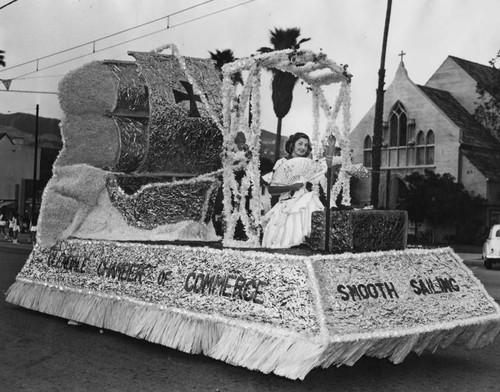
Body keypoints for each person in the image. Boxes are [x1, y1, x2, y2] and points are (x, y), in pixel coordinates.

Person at [261, 132, 325, 249]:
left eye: (306, 145)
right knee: (285, 237)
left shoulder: (308, 163)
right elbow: (271, 189)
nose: (303, 148)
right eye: (300, 144)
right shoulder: (281, 163)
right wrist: (291, 187)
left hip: (305, 201)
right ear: (292, 145)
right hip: (286, 202)